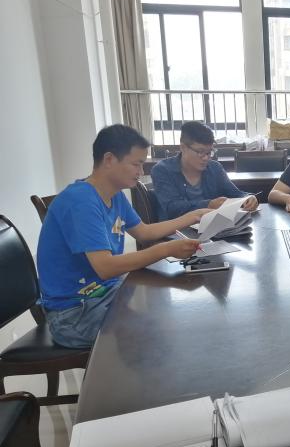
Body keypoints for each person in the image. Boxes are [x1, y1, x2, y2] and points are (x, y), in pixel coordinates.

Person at [37, 124, 210, 349]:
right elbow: (105, 267)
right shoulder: (81, 201)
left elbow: (144, 232)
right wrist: (165, 249)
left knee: (171, 310)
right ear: (109, 159)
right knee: (164, 330)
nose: (141, 171)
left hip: (105, 294)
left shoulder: (114, 195)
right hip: (75, 314)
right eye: (136, 164)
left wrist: (192, 216)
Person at [152, 121, 258, 220]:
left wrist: (247, 198)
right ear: (183, 148)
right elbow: (172, 208)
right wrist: (208, 204)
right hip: (176, 230)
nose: (206, 158)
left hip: (212, 227)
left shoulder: (215, 168)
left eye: (209, 152)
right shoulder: (162, 170)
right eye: (200, 152)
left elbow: (235, 194)